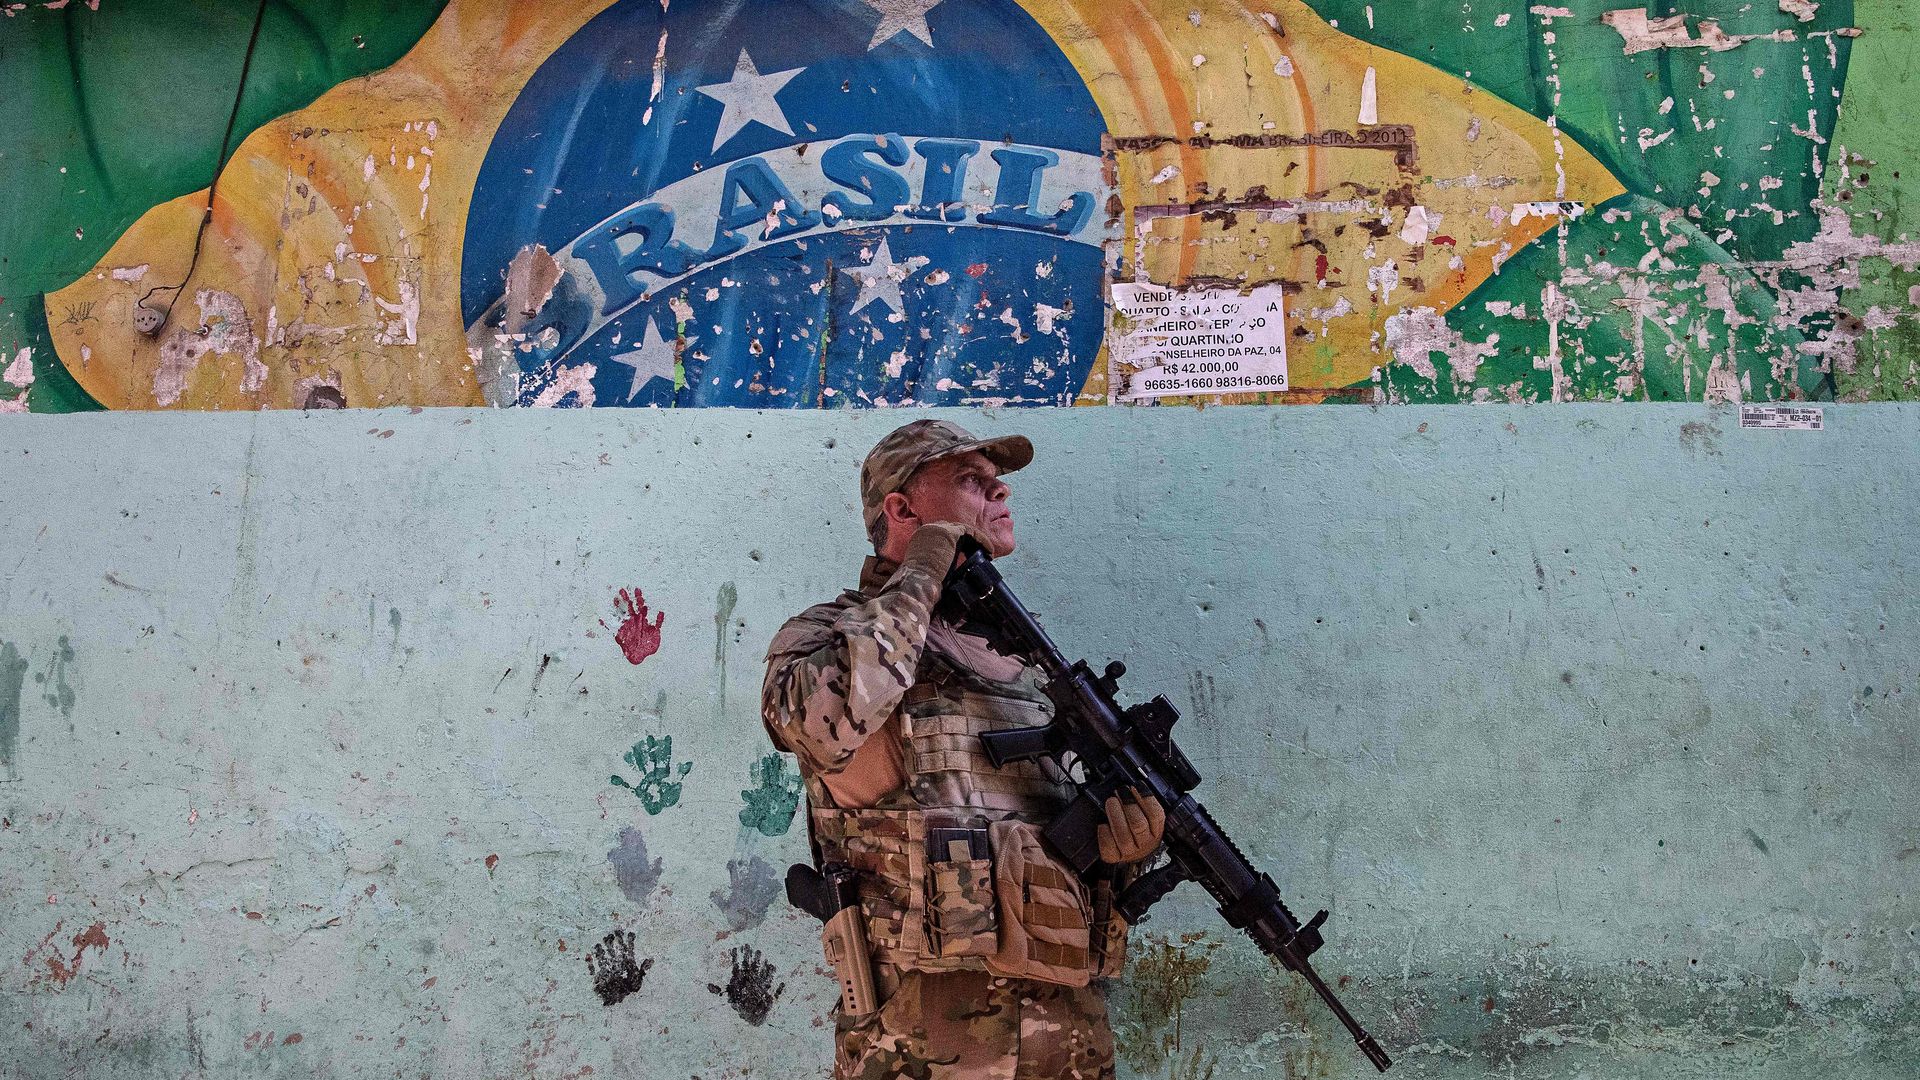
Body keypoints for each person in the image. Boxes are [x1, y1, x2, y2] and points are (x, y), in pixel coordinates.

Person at [761, 418, 1166, 1079]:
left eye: (999, 484)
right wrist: (925, 563)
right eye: (972, 483)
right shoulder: (825, 636)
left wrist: (1117, 859)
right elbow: (830, 718)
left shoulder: (1026, 667)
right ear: (902, 508)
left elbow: (1044, 848)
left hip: (1064, 1038)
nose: (1000, 496)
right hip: (919, 1044)